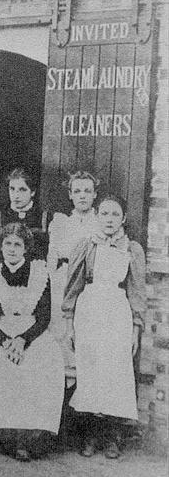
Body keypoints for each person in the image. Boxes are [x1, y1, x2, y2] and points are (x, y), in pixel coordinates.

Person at [62, 194, 146, 460]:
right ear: (97, 217)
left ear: (123, 218)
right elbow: (73, 287)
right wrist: (69, 322)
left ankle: (112, 437)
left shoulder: (132, 249)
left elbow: (137, 291)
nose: (109, 220)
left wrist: (135, 328)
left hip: (117, 313)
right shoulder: (87, 245)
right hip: (89, 311)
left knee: (115, 373)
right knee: (90, 372)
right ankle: (90, 435)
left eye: (115, 215)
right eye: (105, 214)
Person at [0, 222, 64, 462]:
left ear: (26, 248)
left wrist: (23, 340)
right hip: (2, 331)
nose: (12, 249)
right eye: (7, 244)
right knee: (1, 366)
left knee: (43, 364)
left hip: (32, 332)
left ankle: (32, 438)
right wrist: (4, 340)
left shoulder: (40, 273)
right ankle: (6, 436)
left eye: (17, 244)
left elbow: (44, 316)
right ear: (0, 247)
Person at [46, 170, 100, 354]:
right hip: (63, 279)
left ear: (95, 194)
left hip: (88, 282)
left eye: (87, 191)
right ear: (70, 195)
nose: (82, 196)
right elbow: (52, 257)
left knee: (84, 330)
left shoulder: (101, 223)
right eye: (77, 191)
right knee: (60, 328)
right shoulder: (61, 222)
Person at [0, 168, 51, 260]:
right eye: (12, 189)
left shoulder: (45, 218)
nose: (16, 195)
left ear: (32, 192)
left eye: (22, 190)